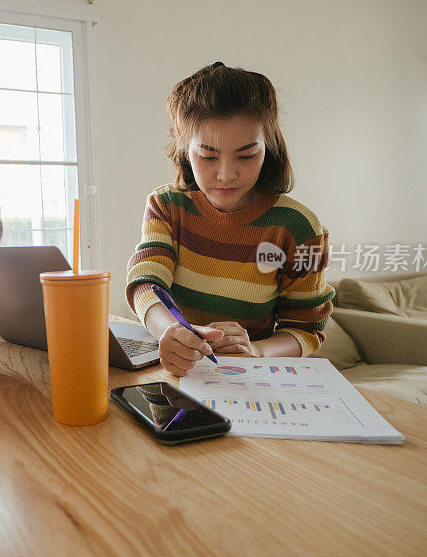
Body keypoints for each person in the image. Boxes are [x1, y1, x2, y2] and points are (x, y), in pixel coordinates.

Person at [125, 62, 334, 377]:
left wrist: (254, 349)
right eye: (208, 157)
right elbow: (146, 282)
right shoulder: (167, 205)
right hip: (175, 378)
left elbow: (306, 329)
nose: (226, 174)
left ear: (269, 147)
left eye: (247, 155)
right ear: (184, 150)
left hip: (251, 385)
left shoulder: (298, 228)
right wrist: (168, 331)